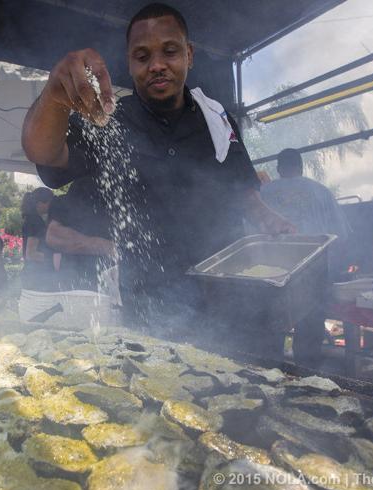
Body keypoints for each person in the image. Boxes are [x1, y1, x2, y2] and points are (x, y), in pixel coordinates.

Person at [21, 2, 293, 332]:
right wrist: (53, 96)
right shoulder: (109, 121)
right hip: (149, 303)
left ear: (189, 55)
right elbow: (45, 153)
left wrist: (267, 217)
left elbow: (240, 186)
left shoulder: (216, 119)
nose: (157, 65)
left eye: (170, 51)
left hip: (227, 296)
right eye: (143, 56)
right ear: (130, 63)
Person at [259, 148, 350, 367]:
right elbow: (342, 236)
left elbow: (251, 235)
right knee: (310, 326)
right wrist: (336, 268)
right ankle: (307, 379)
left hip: (272, 270)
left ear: (279, 168)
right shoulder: (321, 191)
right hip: (313, 268)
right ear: (301, 167)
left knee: (272, 326)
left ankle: (270, 375)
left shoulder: (263, 194)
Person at [18, 177, 119, 327]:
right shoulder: (59, 206)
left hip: (107, 287)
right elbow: (52, 237)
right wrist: (111, 248)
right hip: (77, 284)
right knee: (81, 328)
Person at [20, 187, 57, 291]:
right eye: (50, 202)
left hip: (32, 275)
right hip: (37, 277)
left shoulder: (31, 219)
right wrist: (54, 260)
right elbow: (31, 254)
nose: (51, 206)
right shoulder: (35, 221)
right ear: (41, 203)